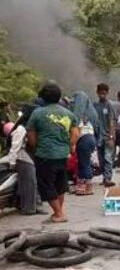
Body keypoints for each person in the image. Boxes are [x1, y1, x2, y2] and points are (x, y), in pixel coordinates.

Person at [26, 82, 79, 223]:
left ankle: (59, 213)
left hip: (45, 154)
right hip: (62, 155)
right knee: (60, 184)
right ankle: (58, 212)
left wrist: (37, 147)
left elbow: (30, 134)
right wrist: (69, 146)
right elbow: (75, 133)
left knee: (46, 185)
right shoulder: (68, 114)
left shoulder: (37, 113)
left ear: (43, 97)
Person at [0, 120, 44, 216]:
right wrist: (12, 163)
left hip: (22, 158)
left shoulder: (20, 129)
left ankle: (33, 206)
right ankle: (29, 208)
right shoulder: (20, 130)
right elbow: (15, 147)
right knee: (29, 184)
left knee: (31, 183)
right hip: (22, 158)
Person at [70, 91, 99, 196]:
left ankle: (88, 188)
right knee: (84, 163)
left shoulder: (80, 117)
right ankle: (84, 187)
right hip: (90, 139)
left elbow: (76, 130)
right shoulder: (90, 115)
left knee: (84, 164)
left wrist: (72, 143)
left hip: (84, 140)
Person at [94, 83, 116, 187]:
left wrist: (111, 136)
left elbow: (111, 122)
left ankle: (108, 178)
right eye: (100, 93)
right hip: (98, 137)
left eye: (104, 93)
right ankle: (104, 177)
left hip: (107, 136)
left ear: (107, 93)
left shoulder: (109, 105)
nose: (102, 95)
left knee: (108, 158)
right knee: (101, 158)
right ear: (97, 93)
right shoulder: (95, 105)